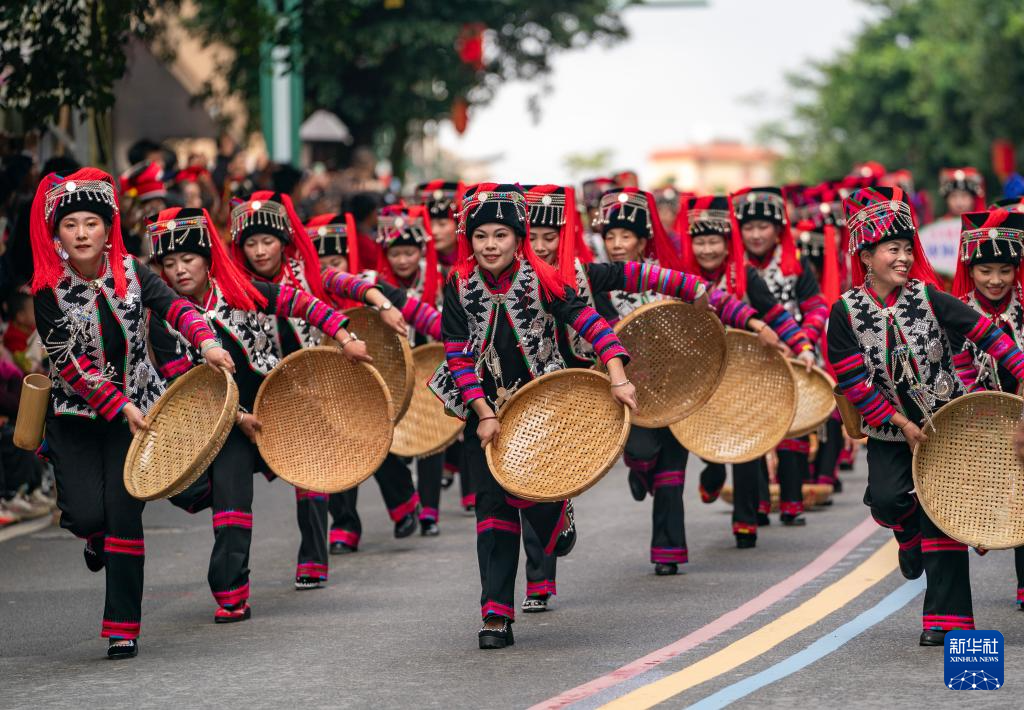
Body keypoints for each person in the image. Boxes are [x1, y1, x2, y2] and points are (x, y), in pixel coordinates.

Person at [30, 168, 233, 659]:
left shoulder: (133, 272)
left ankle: (123, 626)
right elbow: (69, 364)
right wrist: (117, 405)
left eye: (91, 223)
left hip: (139, 411)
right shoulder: (46, 290)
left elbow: (176, 308)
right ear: (57, 233)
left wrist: (206, 342)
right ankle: (93, 537)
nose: (81, 233)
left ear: (108, 229)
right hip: (77, 417)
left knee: (124, 513)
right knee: (85, 514)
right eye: (71, 225)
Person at [430, 183, 636, 649]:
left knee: (540, 510)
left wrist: (617, 375)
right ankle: (496, 616)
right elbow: (457, 355)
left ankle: (557, 513)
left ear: (518, 238)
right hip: (484, 410)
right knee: (493, 512)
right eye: (480, 235)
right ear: (470, 239)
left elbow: (590, 322)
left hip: (544, 408)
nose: (490, 245)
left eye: (500, 235)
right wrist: (483, 413)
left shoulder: (543, 278)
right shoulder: (458, 284)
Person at [148, 206, 367, 623]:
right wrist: (237, 418)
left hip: (274, 400)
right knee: (227, 503)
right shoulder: (163, 317)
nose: (179, 270)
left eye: (188, 259)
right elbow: (184, 382)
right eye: (169, 263)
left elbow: (300, 302)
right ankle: (231, 592)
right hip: (221, 418)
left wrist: (344, 336)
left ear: (207, 259)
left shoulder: (239, 288)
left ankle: (310, 560)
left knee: (307, 470)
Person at [827, 186, 1024, 646]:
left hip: (945, 427)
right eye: (892, 250)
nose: (903, 258)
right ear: (866, 256)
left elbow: (987, 335)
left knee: (942, 513)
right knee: (887, 499)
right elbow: (854, 381)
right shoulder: (845, 312)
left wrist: (1019, 369)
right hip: (890, 430)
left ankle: (946, 620)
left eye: (906, 248)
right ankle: (906, 535)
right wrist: (901, 423)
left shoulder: (929, 297)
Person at [228, 191, 408, 589]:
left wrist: (383, 305)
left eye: (268, 241)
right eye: (252, 243)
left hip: (315, 387)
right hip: (260, 393)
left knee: (311, 471)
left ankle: (313, 558)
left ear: (283, 241)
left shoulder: (307, 274)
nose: (260, 251)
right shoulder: (234, 286)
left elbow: (350, 284)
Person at [677, 194, 812, 546]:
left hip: (743, 371)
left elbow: (775, 314)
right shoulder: (679, 277)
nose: (707, 250)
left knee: (748, 442)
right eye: (700, 242)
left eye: (714, 242)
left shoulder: (746, 274)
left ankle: (745, 520)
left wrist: (802, 345)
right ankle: (713, 469)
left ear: (727, 243)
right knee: (704, 435)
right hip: (699, 372)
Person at [306, 209, 443, 550]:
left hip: (373, 376)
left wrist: (454, 339)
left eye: (336, 262)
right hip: (325, 382)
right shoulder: (304, 290)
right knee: (337, 449)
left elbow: (412, 310)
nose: (329, 270)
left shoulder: (367, 283)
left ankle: (403, 501)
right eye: (321, 263)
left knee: (375, 439)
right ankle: (344, 525)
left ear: (348, 258)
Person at [734, 186, 823, 526]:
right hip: (748, 355)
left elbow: (815, 307)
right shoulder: (734, 266)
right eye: (749, 227)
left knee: (792, 428)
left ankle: (791, 500)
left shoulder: (795, 263)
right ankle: (757, 501)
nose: (756, 235)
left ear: (777, 229)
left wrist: (805, 341)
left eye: (763, 227)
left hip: (793, 351)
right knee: (753, 426)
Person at [950, 208, 1024, 610]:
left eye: (1005, 270)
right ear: (970, 269)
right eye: (985, 270)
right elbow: (955, 366)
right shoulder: (955, 312)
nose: (995, 280)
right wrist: (981, 407)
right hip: (975, 417)